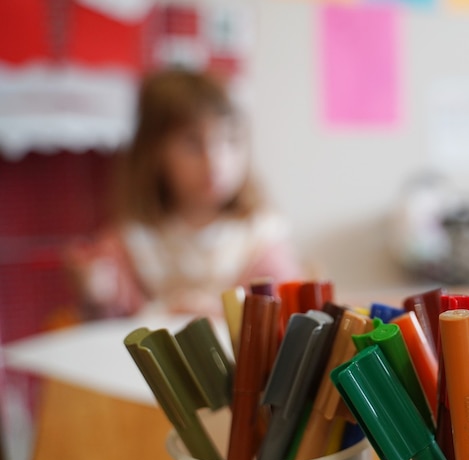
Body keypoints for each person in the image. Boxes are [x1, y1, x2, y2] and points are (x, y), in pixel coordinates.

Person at [65, 69, 301, 319]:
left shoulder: (259, 236)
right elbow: (111, 326)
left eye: (230, 140)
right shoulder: (130, 239)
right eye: (192, 143)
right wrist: (97, 292)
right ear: (154, 153)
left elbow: (283, 315)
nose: (215, 162)